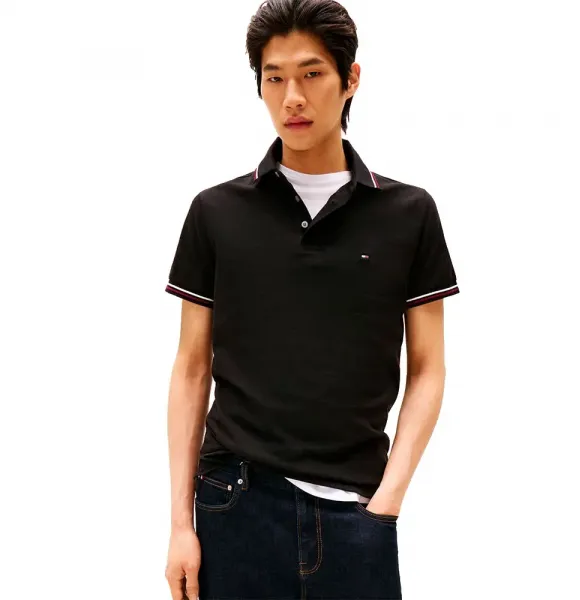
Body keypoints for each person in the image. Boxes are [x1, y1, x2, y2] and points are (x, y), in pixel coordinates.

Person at [164, 1, 460, 598]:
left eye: (311, 73)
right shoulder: (216, 212)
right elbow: (192, 368)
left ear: (351, 79)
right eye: (274, 78)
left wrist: (387, 502)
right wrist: (179, 524)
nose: (292, 97)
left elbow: (428, 368)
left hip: (358, 512)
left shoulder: (409, 213)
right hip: (234, 502)